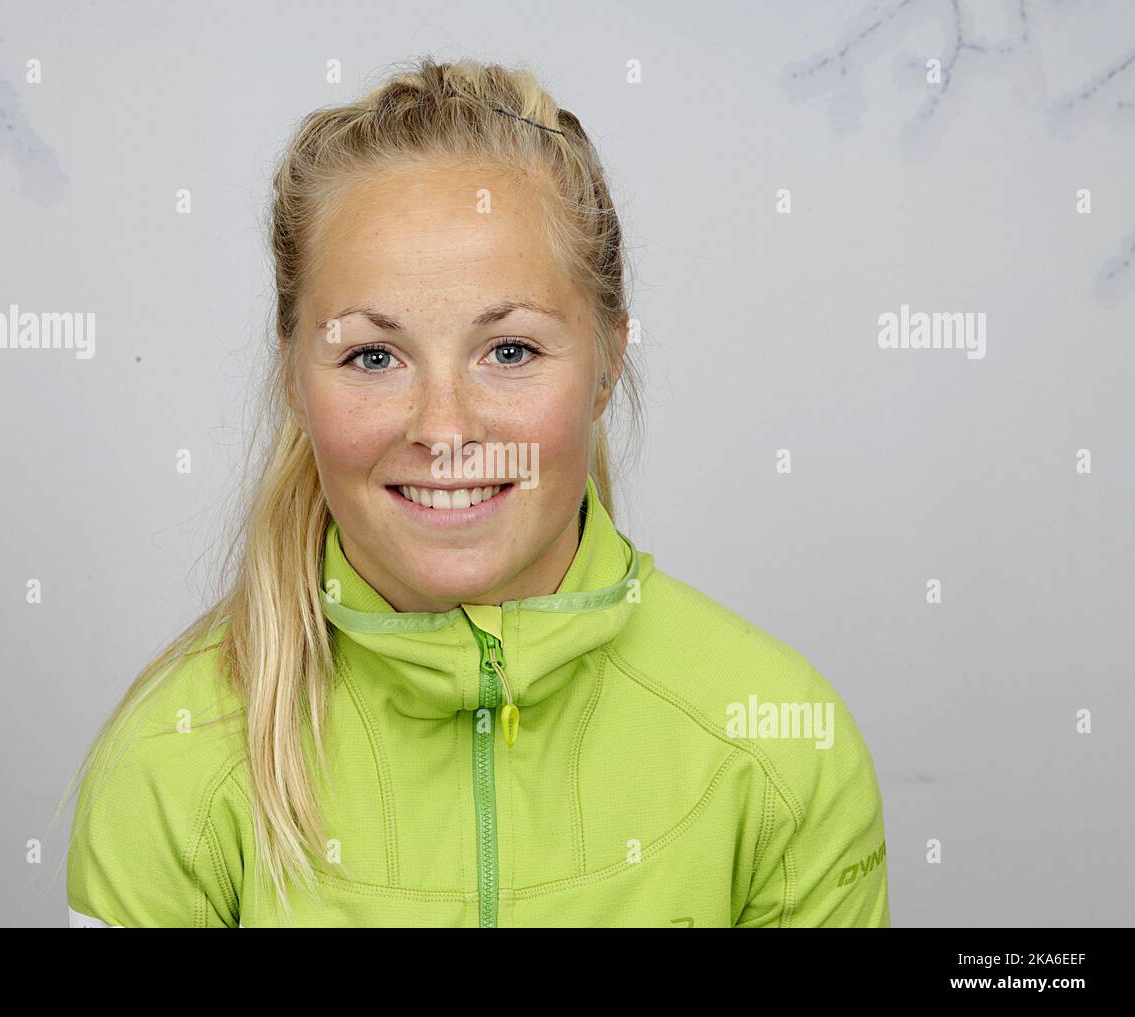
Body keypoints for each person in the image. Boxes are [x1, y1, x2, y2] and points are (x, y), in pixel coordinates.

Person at [59, 56, 890, 927]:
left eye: (511, 351)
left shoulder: (779, 738)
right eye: (373, 357)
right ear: (295, 378)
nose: (444, 430)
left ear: (608, 362)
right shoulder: (169, 764)